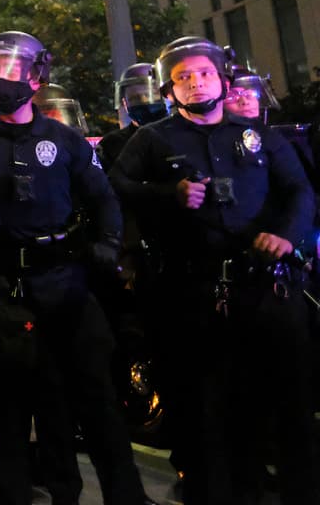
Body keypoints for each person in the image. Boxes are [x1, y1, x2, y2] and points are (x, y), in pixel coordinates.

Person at [0, 31, 151, 505]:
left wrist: (109, 244)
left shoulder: (64, 140)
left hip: (66, 284)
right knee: (9, 407)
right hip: (3, 291)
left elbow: (103, 197)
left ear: (35, 77)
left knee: (95, 401)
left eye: (8, 69)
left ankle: (124, 495)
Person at [109, 37, 315, 505]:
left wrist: (286, 235)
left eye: (203, 73)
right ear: (168, 89)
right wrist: (169, 194)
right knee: (207, 413)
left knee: (290, 406)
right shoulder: (152, 139)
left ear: (222, 79)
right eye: (182, 77)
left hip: (266, 289)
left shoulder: (260, 135)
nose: (195, 83)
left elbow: (299, 191)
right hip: (191, 295)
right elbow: (115, 186)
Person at [97, 63, 170, 174]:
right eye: (135, 98)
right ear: (125, 103)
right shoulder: (110, 144)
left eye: (151, 95)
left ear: (165, 96)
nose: (144, 101)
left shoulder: (183, 134)